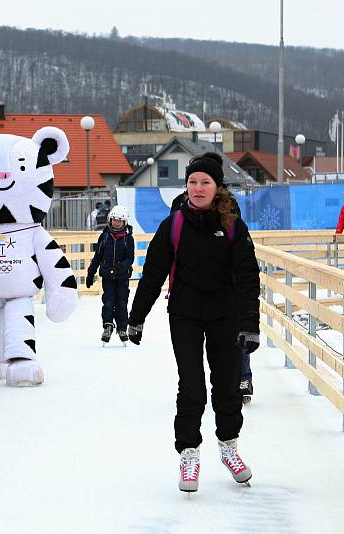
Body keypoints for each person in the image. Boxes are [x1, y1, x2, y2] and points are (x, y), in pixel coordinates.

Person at [127, 152, 260, 492]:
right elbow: (153, 272)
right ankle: (189, 452)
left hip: (225, 315)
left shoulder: (232, 225)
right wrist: (137, 316)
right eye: (192, 182)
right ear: (186, 186)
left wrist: (250, 324)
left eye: (205, 182)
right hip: (184, 314)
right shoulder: (174, 225)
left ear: (217, 187)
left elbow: (247, 278)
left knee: (227, 385)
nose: (198, 188)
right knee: (191, 386)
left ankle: (229, 446)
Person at [170, 191, 254, 403]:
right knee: (192, 348)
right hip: (190, 290)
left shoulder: (230, 203)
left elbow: (238, 238)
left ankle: (243, 378)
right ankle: (194, 388)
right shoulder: (179, 204)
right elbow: (172, 243)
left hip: (226, 286)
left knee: (235, 339)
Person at [86, 205, 135, 344]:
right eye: (114, 220)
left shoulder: (128, 239)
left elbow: (130, 258)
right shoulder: (105, 237)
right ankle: (108, 326)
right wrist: (91, 273)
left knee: (121, 302)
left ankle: (122, 328)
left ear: (124, 222)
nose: (116, 223)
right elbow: (98, 256)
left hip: (122, 277)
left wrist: (123, 266)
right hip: (107, 276)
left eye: (119, 221)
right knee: (108, 302)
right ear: (110, 220)